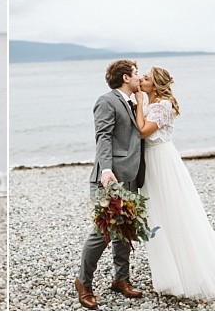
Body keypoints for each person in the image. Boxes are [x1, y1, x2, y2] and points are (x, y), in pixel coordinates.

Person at [134, 66, 215, 299]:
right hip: (151, 164)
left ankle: (190, 272)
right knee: (157, 215)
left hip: (162, 163)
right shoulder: (151, 104)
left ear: (156, 84)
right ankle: (170, 271)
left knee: (173, 213)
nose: (141, 79)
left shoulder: (162, 106)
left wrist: (137, 100)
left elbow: (142, 132)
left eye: (145, 78)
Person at [76, 59, 145, 310]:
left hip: (131, 176)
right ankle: (83, 283)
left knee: (125, 229)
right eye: (137, 73)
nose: (140, 76)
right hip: (109, 178)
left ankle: (121, 279)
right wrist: (106, 169)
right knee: (103, 232)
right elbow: (102, 136)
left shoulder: (132, 102)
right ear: (125, 77)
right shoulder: (106, 101)